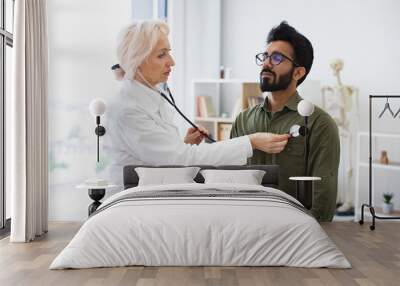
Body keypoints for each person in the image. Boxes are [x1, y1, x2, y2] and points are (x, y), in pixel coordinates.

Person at [104, 20, 290, 187]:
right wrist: (251, 142)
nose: (172, 62)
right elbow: (179, 160)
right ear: (137, 60)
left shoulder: (150, 95)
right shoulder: (126, 109)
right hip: (134, 199)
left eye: (169, 53)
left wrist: (184, 144)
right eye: (161, 55)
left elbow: (160, 155)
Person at [230, 22, 340, 222]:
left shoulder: (320, 124)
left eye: (277, 58)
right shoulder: (243, 120)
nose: (266, 63)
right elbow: (231, 179)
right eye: (265, 56)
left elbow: (323, 194)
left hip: (294, 235)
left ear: (298, 72)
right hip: (245, 227)